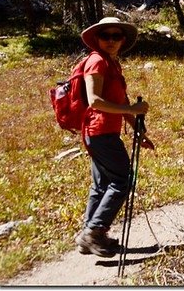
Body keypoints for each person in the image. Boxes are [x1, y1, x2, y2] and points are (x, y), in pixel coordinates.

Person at [75, 17, 154, 257]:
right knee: (122, 180)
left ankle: (87, 236)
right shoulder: (97, 62)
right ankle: (94, 231)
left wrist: (136, 127)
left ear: (122, 40)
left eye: (116, 36)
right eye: (105, 36)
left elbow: (121, 100)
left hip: (104, 132)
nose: (110, 41)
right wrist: (131, 112)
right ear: (97, 39)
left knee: (101, 186)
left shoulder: (112, 63)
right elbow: (95, 101)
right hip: (99, 132)